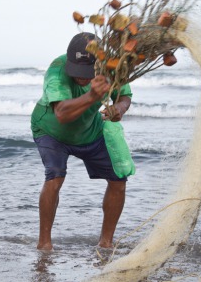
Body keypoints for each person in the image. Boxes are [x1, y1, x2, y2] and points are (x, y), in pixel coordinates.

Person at [31, 32, 132, 251]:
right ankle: (44, 245)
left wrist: (119, 109)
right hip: (51, 130)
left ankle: (106, 243)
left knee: (119, 180)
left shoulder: (112, 67)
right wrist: (92, 96)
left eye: (87, 73)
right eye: (77, 71)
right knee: (55, 177)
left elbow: (125, 96)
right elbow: (62, 114)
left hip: (89, 129)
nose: (81, 78)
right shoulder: (56, 70)